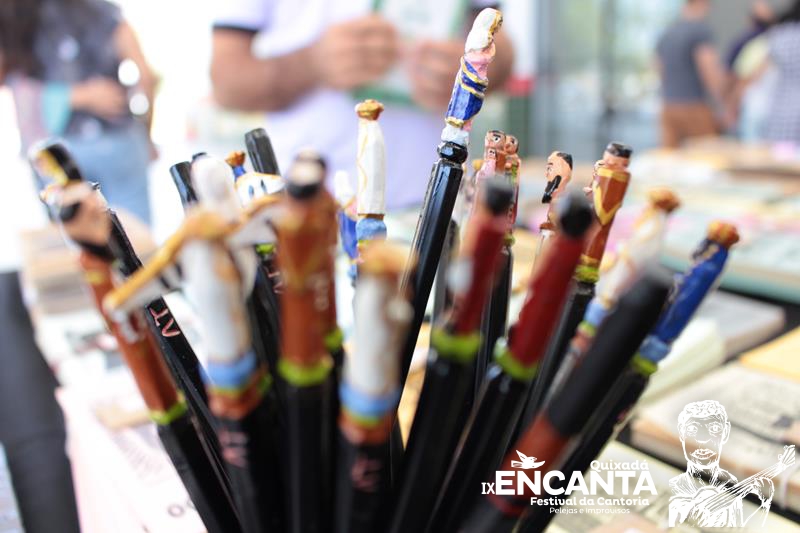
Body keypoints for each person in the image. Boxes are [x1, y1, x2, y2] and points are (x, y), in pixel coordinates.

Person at [211, 0, 514, 208]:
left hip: (438, 210)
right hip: (305, 211)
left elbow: (502, 48)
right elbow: (226, 81)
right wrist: (311, 63)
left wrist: (473, 68)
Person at [0, 0, 156, 224]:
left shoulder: (14, 13)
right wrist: (146, 136)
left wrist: (65, 97)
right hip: (119, 142)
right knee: (135, 234)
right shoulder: (102, 10)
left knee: (73, 239)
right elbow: (146, 76)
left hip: (55, 150)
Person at [669, 400, 774, 528]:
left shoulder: (743, 489)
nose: (703, 439)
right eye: (692, 429)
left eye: (714, 429)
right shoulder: (673, 483)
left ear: (725, 432)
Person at [655, 0, 729, 148]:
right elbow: (709, 71)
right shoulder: (700, 31)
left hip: (668, 107)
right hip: (695, 107)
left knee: (670, 157)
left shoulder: (666, 33)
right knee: (705, 156)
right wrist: (723, 105)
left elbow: (659, 70)